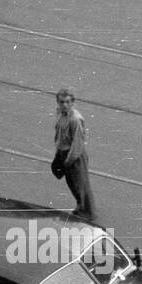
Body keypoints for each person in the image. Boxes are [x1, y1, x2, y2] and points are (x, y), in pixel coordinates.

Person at [51, 89, 94, 220]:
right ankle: (80, 206)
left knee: (81, 183)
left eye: (67, 102)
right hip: (63, 152)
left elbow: (77, 144)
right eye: (62, 102)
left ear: (73, 102)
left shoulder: (75, 119)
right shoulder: (60, 113)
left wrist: (68, 161)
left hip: (74, 156)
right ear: (58, 102)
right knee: (72, 183)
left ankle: (87, 212)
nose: (64, 105)